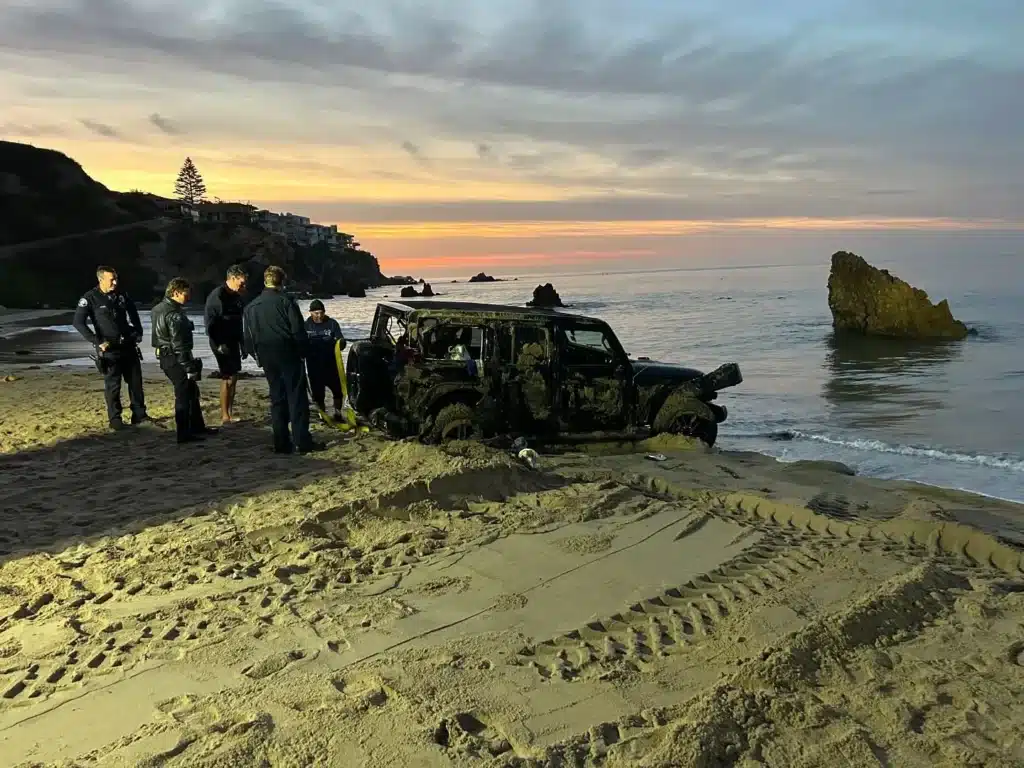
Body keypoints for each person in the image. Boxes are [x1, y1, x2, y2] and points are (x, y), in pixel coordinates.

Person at [243, 266, 325, 454]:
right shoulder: (286, 302)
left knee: (277, 397)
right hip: (287, 352)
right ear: (282, 282)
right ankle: (302, 440)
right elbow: (297, 331)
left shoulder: (251, 306)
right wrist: (304, 351)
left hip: (266, 354)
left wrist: (256, 356)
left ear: (265, 281)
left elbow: (247, 337)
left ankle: (281, 442)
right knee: (296, 397)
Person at [72, 265, 149, 430]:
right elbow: (78, 322)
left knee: (135, 383)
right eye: (111, 279)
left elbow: (134, 314)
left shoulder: (121, 295)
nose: (115, 282)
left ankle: (140, 415)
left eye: (116, 278)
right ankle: (115, 419)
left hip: (128, 345)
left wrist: (138, 332)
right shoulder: (90, 298)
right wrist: (96, 341)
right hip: (108, 349)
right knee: (113, 386)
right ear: (101, 280)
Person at [151, 278, 218, 444]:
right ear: (176, 292)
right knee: (184, 394)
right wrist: (188, 366)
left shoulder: (158, 309)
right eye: (186, 293)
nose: (188, 296)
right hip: (175, 358)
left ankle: (196, 427)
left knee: (191, 391)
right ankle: (184, 433)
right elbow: (179, 344)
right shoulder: (174, 315)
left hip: (165, 356)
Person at [204, 265, 248, 424]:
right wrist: (219, 344)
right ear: (232, 278)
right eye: (242, 283)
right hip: (220, 341)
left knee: (234, 376)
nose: (244, 286)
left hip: (234, 339)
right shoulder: (217, 296)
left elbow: (239, 323)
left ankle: (229, 412)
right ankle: (224, 416)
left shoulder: (237, 297)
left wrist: (243, 344)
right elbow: (210, 325)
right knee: (227, 377)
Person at [304, 299, 347, 420]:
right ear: (310, 312)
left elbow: (340, 340)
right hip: (313, 366)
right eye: (316, 313)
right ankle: (322, 415)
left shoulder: (332, 323)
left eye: (321, 312)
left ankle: (338, 413)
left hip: (331, 364)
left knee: (337, 391)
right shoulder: (305, 326)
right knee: (318, 394)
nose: (319, 315)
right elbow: (300, 344)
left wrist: (342, 342)